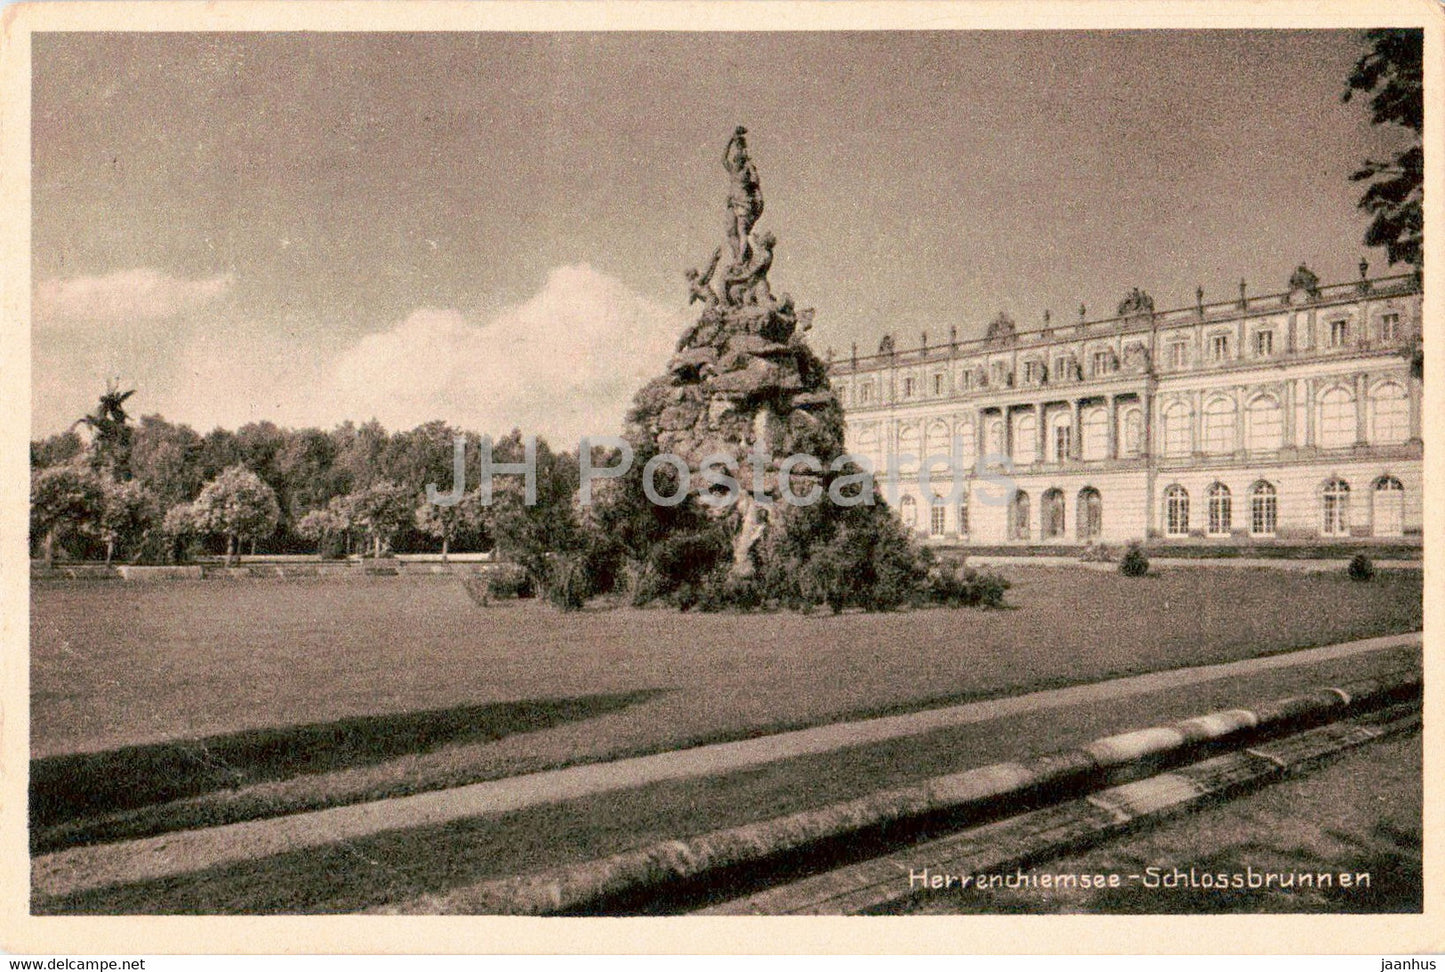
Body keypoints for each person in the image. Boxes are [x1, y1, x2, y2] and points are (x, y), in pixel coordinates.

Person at [723, 126, 764, 262]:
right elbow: (723, 158)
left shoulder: (745, 171)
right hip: (732, 203)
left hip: (743, 203)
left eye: (738, 160)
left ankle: (742, 257)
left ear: (742, 161)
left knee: (742, 232)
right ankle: (739, 257)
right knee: (730, 231)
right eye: (735, 161)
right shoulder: (734, 170)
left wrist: (750, 167)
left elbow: (756, 180)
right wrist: (731, 139)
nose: (735, 162)